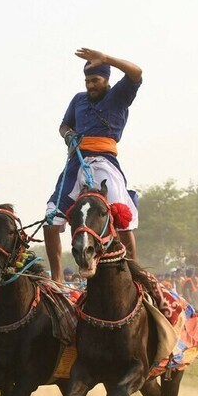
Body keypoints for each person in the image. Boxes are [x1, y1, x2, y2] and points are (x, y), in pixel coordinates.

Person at [44, 48, 142, 283]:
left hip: (105, 164)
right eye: (87, 81)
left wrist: (108, 59)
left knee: (122, 218)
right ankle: (57, 279)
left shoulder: (118, 95)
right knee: (51, 218)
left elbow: (136, 73)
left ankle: (135, 275)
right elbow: (64, 126)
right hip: (76, 163)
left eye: (95, 80)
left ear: (107, 80)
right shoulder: (78, 99)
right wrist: (68, 135)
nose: (90, 85)